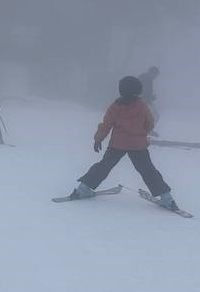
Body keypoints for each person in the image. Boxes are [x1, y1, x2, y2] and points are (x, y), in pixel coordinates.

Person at [69, 75, 180, 210]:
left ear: (121, 90)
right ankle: (167, 198)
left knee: (103, 166)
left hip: (117, 144)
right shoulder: (142, 106)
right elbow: (150, 123)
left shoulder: (115, 107)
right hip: (138, 145)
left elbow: (106, 125)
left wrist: (98, 139)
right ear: (138, 91)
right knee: (148, 170)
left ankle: (83, 189)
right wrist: (141, 132)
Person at [138, 65, 160, 134]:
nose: (156, 77)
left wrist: (151, 97)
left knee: (149, 117)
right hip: (143, 102)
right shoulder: (145, 79)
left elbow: (145, 92)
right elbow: (142, 92)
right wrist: (151, 97)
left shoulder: (146, 78)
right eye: (156, 75)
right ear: (152, 73)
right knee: (155, 116)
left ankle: (145, 130)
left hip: (144, 101)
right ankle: (146, 131)